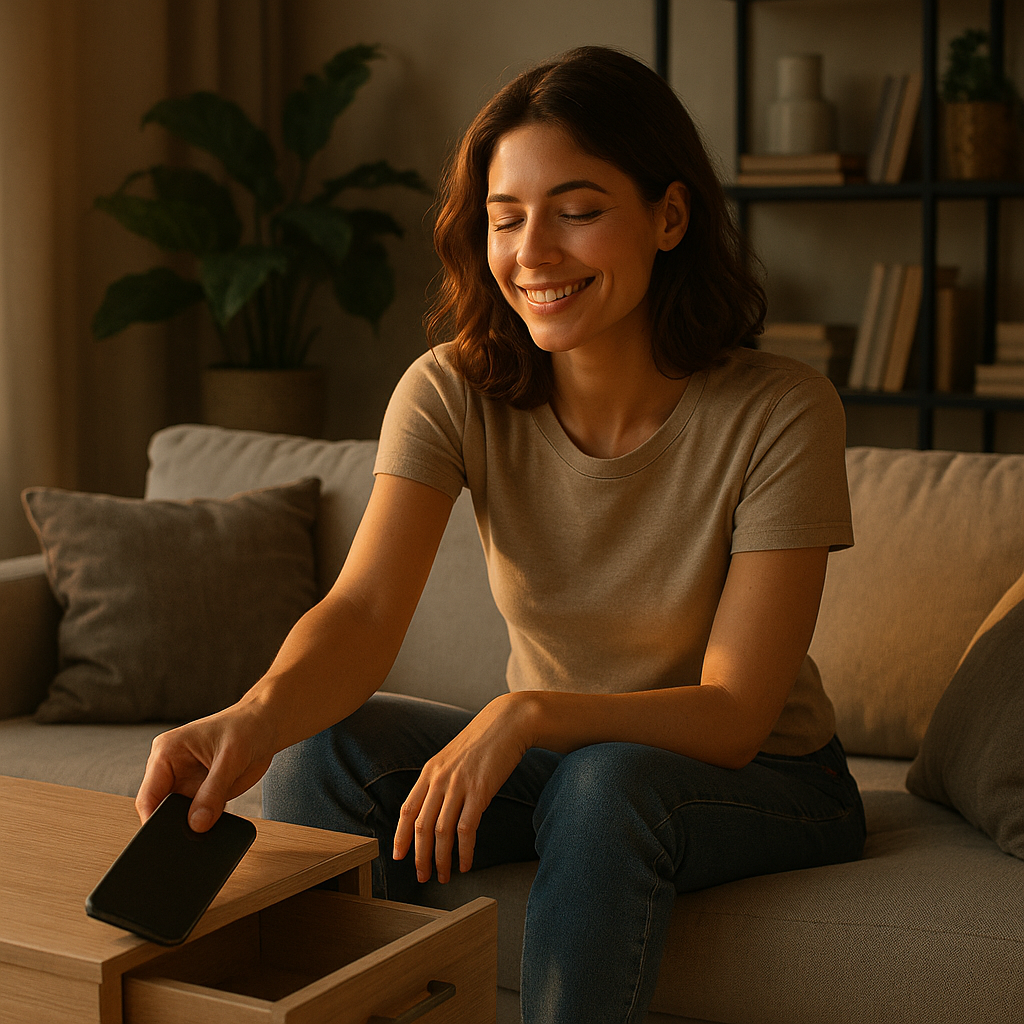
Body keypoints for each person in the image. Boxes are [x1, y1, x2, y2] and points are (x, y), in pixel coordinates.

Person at [137, 45, 866, 1024]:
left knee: (605, 785)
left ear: (669, 215)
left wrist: (526, 713)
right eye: (506, 217)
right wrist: (254, 717)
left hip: (763, 777)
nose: (534, 253)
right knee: (327, 753)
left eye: (577, 210)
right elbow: (360, 608)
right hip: (572, 766)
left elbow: (736, 711)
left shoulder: (781, 411)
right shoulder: (452, 388)